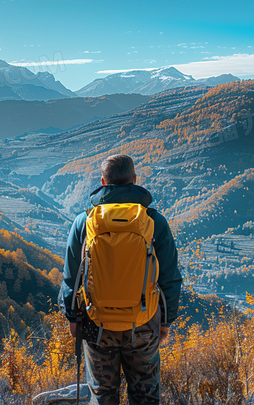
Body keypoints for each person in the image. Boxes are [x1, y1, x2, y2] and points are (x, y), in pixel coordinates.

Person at [59, 154, 183, 405]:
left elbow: (72, 276)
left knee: (103, 393)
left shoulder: (84, 221)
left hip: (96, 323)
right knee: (145, 393)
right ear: (134, 180)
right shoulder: (154, 221)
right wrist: (166, 321)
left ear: (103, 182)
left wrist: (72, 317)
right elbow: (170, 276)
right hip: (144, 321)